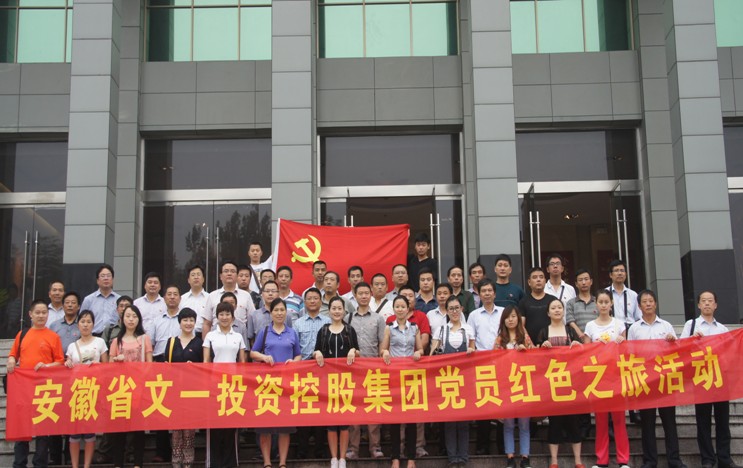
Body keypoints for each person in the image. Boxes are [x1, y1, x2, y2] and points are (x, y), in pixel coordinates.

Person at [680, 291, 741, 468]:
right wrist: (692, 340)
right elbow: (680, 349)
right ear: (698, 305)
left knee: (723, 422)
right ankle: (707, 459)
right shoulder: (691, 325)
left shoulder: (721, 329)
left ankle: (724, 458)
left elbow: (730, 352)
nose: (707, 304)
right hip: (701, 378)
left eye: (710, 301)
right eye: (703, 301)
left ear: (715, 305)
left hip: (720, 379)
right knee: (703, 421)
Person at [627, 290, 686, 468]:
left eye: (651, 301)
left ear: (656, 304)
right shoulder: (634, 328)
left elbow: (677, 351)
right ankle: (650, 460)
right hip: (645, 380)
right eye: (644, 302)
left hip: (665, 379)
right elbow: (629, 354)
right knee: (647, 423)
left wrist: (673, 341)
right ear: (639, 306)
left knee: (669, 422)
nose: (648, 304)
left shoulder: (666, 326)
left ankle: (674, 459)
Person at [7, 300, 65, 468]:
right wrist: (11, 360)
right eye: (37, 312)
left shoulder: (53, 336)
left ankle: (40, 464)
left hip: (45, 390)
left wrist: (47, 366)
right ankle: (19, 463)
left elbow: (60, 362)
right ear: (30, 315)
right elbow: (13, 355)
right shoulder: (22, 334)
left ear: (48, 315)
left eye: (44, 313)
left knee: (42, 431)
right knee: (22, 430)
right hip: (24, 390)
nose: (41, 316)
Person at [250, 298, 301, 468]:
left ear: (286, 312)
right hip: (267, 385)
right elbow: (253, 353)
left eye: (282, 310)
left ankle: (282, 463)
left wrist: (294, 362)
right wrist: (264, 357)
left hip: (286, 386)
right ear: (271, 313)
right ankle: (267, 462)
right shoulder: (264, 332)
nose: (279, 313)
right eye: (276, 310)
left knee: (285, 427)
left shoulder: (292, 333)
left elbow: (298, 355)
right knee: (265, 426)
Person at [583, 290, 630, 468]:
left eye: (606, 302)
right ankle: (601, 460)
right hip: (598, 379)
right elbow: (585, 353)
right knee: (601, 421)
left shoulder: (619, 324)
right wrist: (596, 347)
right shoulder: (590, 326)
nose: (603, 305)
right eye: (600, 302)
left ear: (611, 304)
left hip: (616, 377)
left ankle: (623, 460)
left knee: (619, 420)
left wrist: (621, 342)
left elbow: (626, 351)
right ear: (596, 304)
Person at [537, 298, 584, 468]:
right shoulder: (544, 331)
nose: (557, 310)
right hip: (552, 383)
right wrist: (542, 346)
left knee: (573, 422)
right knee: (555, 423)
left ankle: (578, 460)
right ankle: (554, 461)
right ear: (548, 313)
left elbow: (582, 353)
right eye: (553, 308)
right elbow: (536, 356)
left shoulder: (570, 331)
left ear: (563, 311)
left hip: (570, 382)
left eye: (559, 307)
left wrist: (578, 345)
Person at [429, 296, 474, 467]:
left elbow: (475, 351)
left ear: (462, 309)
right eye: (451, 309)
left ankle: (463, 457)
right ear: (446, 311)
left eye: (457, 308)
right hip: (447, 380)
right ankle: (452, 458)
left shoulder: (468, 329)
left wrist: (471, 351)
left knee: (463, 421)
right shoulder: (441, 330)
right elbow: (432, 354)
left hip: (464, 380)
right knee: (449, 420)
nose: (454, 311)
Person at [314, 296, 359, 468]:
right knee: (332, 423)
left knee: (344, 422)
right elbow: (316, 351)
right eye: (334, 308)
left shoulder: (349, 330)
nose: (337, 311)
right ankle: (334, 458)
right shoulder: (323, 330)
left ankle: (343, 458)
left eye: (340, 308)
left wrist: (353, 350)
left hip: (346, 383)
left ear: (344, 311)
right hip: (328, 383)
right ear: (329, 310)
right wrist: (317, 353)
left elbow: (358, 352)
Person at [346, 282, 387, 460]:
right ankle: (353, 448)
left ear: (371, 295)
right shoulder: (348, 318)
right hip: (353, 370)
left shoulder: (378, 318)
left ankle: (375, 447)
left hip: (373, 369)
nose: (363, 296)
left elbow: (382, 343)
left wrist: (383, 356)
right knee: (353, 410)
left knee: (373, 409)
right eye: (360, 293)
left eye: (366, 293)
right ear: (354, 296)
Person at [381, 295, 423, 468]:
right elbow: (383, 349)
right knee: (395, 419)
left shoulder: (414, 327)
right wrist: (384, 352)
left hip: (411, 377)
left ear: (408, 309)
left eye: (402, 306)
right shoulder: (389, 328)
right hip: (394, 377)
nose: (400, 309)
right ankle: (395, 457)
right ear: (394, 309)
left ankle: (411, 457)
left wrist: (419, 352)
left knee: (411, 419)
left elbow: (420, 349)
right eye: (397, 306)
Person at [203, 302, 247, 468]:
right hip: (215, 386)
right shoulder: (210, 336)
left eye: (227, 314)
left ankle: (230, 463)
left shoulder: (238, 337)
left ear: (232, 317)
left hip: (233, 386)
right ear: (216, 317)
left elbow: (242, 361)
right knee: (214, 425)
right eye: (221, 314)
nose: (224, 317)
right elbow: (206, 361)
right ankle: (213, 463)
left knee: (231, 424)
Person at [109, 304, 153, 468]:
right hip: (120, 390)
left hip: (139, 389)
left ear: (139, 319)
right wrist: (116, 361)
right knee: (119, 429)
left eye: (134, 316)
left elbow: (150, 364)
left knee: (138, 429)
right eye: (128, 316)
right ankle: (118, 463)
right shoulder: (116, 341)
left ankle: (137, 463)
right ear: (122, 319)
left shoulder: (144, 339)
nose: (131, 319)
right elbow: (108, 368)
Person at [64, 310, 109, 468]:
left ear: (93, 324)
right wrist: (67, 363)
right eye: (82, 321)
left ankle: (87, 465)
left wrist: (98, 366)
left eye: (89, 322)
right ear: (78, 324)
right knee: (74, 431)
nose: (85, 325)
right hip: (76, 392)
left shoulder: (100, 342)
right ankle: (75, 465)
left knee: (90, 431)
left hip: (93, 391)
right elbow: (68, 365)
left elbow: (107, 367)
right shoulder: (72, 346)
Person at [493, 305, 534, 468]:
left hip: (523, 385)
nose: (510, 320)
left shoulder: (525, 337)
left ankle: (525, 457)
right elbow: (494, 361)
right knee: (508, 424)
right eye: (507, 317)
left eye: (513, 316)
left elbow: (535, 358)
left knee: (524, 424)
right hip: (506, 386)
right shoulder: (499, 339)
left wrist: (525, 352)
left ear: (518, 319)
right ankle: (510, 457)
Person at [466, 278, 504, 455]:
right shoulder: (474, 315)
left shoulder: (503, 312)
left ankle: (503, 447)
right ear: (479, 294)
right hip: (482, 365)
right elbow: (471, 338)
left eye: (490, 291)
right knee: (484, 405)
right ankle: (483, 446)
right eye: (484, 291)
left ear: (494, 293)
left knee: (502, 406)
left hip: (501, 363)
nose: (487, 294)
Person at [293, 288, 330, 459]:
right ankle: (302, 449)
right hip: (303, 371)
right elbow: (295, 348)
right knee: (303, 409)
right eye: (309, 298)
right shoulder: (298, 323)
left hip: (323, 371)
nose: (313, 301)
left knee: (322, 409)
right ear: (304, 302)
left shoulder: (328, 322)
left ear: (321, 301)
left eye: (316, 298)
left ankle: (320, 448)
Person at [165, 308, 203, 468]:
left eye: (191, 320)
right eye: (185, 320)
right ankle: (176, 459)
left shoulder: (199, 343)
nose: (188, 323)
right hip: (174, 390)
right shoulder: (171, 342)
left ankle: (188, 459)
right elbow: (165, 366)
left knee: (189, 427)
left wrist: (194, 367)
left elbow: (205, 367)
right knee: (175, 427)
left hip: (191, 392)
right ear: (179, 322)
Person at [48, 291, 82, 465]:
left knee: (72, 414)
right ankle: (54, 455)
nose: (70, 305)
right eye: (67, 302)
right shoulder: (54, 326)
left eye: (73, 302)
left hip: (76, 376)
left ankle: (69, 456)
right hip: (56, 375)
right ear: (63, 305)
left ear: (78, 306)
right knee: (55, 413)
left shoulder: (82, 324)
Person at [202, 260, 256, 336]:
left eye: (233, 271)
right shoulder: (212, 296)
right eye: (226, 271)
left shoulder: (246, 296)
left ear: (237, 276)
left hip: (240, 338)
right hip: (217, 339)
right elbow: (207, 323)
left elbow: (252, 321)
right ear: (220, 276)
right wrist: (206, 342)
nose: (229, 274)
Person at [80, 264, 121, 336]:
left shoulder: (119, 299)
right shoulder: (89, 300)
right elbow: (81, 320)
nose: (106, 278)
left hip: (113, 336)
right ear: (97, 280)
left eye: (108, 276)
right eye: (102, 276)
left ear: (112, 279)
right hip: (94, 336)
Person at [520, 267, 556, 346]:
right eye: (535, 277)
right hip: (530, 347)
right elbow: (521, 326)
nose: (538, 280)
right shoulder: (523, 302)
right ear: (529, 282)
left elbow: (558, 322)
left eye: (541, 277)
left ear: (545, 281)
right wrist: (530, 343)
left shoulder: (553, 300)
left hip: (551, 345)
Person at [606, 259, 640, 331]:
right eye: (616, 270)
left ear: (626, 274)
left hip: (630, 330)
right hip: (610, 330)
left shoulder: (633, 295)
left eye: (622, 270)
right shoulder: (605, 293)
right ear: (610, 275)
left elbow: (638, 317)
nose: (620, 273)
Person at [565, 269, 596, 344]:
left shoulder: (597, 301)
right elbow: (570, 321)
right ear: (576, 284)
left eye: (586, 279)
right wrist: (581, 335)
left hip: (596, 341)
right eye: (580, 280)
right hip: (578, 342)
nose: (584, 282)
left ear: (591, 281)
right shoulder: (571, 303)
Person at [179, 265, 209, 334]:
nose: (196, 277)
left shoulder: (209, 298)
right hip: (186, 335)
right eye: (193, 275)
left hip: (204, 335)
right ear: (188, 280)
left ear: (203, 279)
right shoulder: (182, 299)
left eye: (198, 274)